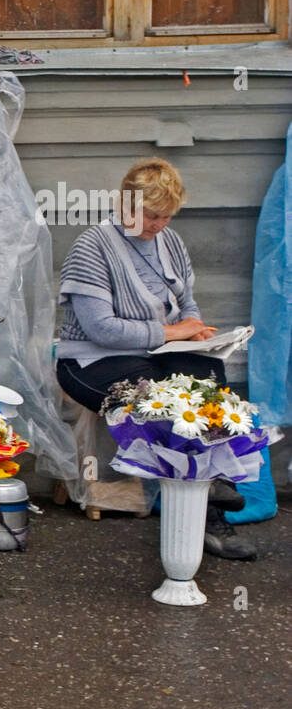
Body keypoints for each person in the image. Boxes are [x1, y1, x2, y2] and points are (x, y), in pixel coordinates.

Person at [55, 157, 252, 559]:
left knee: (206, 379)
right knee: (160, 398)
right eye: (153, 215)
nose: (160, 224)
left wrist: (194, 328)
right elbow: (103, 330)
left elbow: (186, 303)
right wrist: (172, 332)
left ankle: (208, 507)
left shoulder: (170, 242)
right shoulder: (92, 246)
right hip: (90, 361)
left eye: (167, 216)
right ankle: (204, 503)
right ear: (126, 204)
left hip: (156, 352)